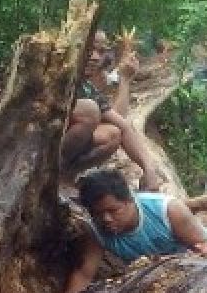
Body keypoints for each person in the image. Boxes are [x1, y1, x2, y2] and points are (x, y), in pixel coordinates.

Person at [62, 169, 207, 293]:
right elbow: (84, 273)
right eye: (98, 214)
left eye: (113, 211)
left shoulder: (167, 210)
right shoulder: (96, 230)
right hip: (150, 277)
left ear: (129, 200)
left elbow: (205, 246)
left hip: (189, 258)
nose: (106, 219)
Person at [61, 31, 164, 191]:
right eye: (90, 49)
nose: (95, 57)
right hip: (34, 148)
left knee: (112, 134)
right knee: (89, 110)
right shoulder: (56, 74)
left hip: (59, 150)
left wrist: (149, 169)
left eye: (101, 52)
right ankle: (47, 170)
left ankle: (63, 177)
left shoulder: (87, 87)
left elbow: (120, 122)